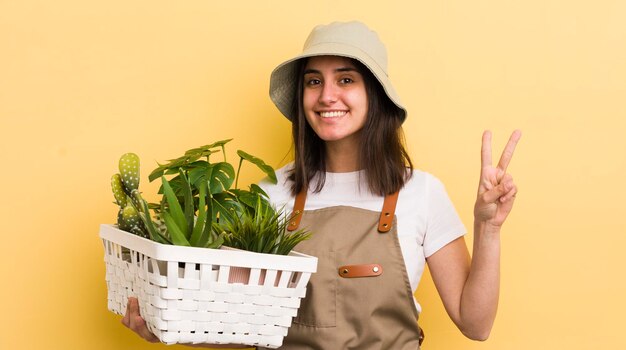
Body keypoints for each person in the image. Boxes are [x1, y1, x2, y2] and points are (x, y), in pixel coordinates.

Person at [123, 21, 521, 349]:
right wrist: (166, 327)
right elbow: (241, 328)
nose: (327, 95)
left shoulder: (423, 193)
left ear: (374, 95)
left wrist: (489, 227)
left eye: (345, 79)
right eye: (313, 82)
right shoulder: (269, 193)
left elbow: (476, 323)